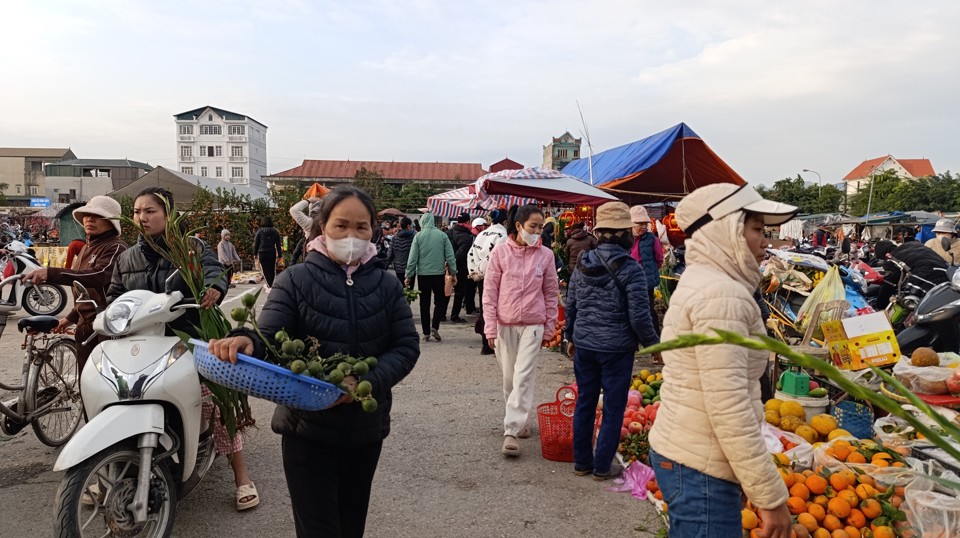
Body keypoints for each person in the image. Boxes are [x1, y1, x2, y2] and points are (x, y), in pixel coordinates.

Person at [207, 186, 419, 538]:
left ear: (373, 232)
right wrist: (247, 338)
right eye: (341, 226)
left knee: (351, 526)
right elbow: (270, 334)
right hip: (307, 431)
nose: (351, 236)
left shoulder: (386, 285)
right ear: (322, 228)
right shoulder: (296, 280)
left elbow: (406, 346)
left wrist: (364, 381)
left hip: (365, 432)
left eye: (361, 227)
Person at [647, 183, 797, 538]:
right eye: (758, 229)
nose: (766, 241)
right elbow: (728, 405)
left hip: (692, 453)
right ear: (725, 229)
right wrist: (770, 496)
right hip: (700, 463)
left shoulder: (709, 282)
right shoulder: (721, 295)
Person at [106, 187, 258, 512]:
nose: (142, 217)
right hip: (142, 346)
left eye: (150, 211)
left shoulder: (190, 247)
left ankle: (242, 476)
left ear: (168, 215)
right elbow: (115, 296)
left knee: (214, 405)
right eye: (137, 211)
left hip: (187, 339)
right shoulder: (126, 258)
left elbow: (214, 269)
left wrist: (216, 286)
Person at [564, 202, 659, 480]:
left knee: (585, 402)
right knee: (614, 408)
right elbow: (640, 317)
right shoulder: (631, 269)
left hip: (584, 345)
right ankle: (603, 466)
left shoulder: (582, 263)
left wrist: (570, 335)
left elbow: (571, 304)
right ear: (625, 234)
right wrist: (654, 346)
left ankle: (582, 462)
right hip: (616, 349)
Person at [483, 205, 559, 457]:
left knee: (523, 376)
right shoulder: (500, 253)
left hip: (533, 325)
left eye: (540, 227)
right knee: (509, 378)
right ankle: (521, 420)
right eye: (532, 227)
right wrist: (490, 327)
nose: (537, 231)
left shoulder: (546, 255)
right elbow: (490, 292)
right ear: (518, 226)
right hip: (504, 324)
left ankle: (511, 431)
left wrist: (549, 327)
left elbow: (550, 293)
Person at [21, 196, 127, 370]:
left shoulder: (116, 247)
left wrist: (51, 273)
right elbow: (83, 290)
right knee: (85, 383)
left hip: (106, 328)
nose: (89, 219)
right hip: (85, 327)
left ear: (112, 221)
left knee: (105, 384)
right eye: (86, 215)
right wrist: (70, 318)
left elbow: (97, 276)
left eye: (97, 216)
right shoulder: (86, 247)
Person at [405, 213, 457, 342]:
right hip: (438, 274)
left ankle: (426, 332)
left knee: (424, 303)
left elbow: (412, 259)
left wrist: (408, 275)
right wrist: (454, 272)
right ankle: (435, 326)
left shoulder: (418, 237)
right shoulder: (442, 235)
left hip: (423, 275)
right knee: (439, 301)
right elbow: (450, 256)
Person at [468, 209, 509, 355]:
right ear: (506, 221)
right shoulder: (502, 235)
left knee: (486, 306)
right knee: (494, 309)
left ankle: (486, 343)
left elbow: (471, 253)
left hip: (479, 276)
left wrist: (474, 271)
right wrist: (483, 270)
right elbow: (494, 256)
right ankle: (490, 343)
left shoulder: (482, 234)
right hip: (494, 275)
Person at [629, 206, 664, 323]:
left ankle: (654, 337)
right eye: (640, 224)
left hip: (646, 281)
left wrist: (652, 270)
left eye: (645, 224)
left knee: (648, 309)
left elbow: (659, 258)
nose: (643, 227)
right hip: (630, 281)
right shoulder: (627, 239)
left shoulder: (652, 239)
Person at [446, 212, 477, 323]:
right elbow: (462, 254)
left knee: (446, 290)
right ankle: (454, 316)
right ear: (468, 222)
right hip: (461, 267)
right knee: (459, 292)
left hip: (446, 265)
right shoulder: (468, 236)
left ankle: (442, 315)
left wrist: (449, 261)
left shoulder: (448, 233)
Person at [253, 216, 283, 290]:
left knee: (265, 269)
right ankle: (272, 284)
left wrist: (255, 254)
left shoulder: (260, 231)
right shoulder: (275, 231)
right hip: (272, 252)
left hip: (262, 253)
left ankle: (269, 285)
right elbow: (278, 244)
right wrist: (279, 255)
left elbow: (256, 243)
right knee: (272, 269)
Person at [387, 217, 415, 283]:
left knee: (401, 287)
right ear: (408, 225)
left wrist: (385, 266)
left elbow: (390, 253)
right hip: (410, 268)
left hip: (398, 267)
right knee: (410, 290)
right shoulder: (413, 237)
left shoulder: (395, 238)